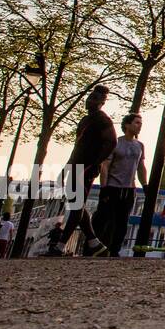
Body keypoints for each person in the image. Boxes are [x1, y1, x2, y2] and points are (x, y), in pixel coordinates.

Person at [48, 85, 117, 257]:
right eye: (89, 97)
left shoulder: (103, 120)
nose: (89, 101)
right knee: (76, 203)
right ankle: (95, 243)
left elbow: (112, 142)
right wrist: (66, 167)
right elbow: (78, 146)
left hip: (87, 166)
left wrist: (96, 163)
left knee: (76, 204)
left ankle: (60, 246)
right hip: (77, 165)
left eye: (94, 98)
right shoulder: (85, 120)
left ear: (102, 102)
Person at [92, 112, 147, 257]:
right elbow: (105, 166)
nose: (139, 126)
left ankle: (115, 250)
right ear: (127, 125)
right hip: (113, 187)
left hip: (129, 189)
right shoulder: (116, 143)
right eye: (136, 123)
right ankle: (97, 248)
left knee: (123, 222)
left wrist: (145, 184)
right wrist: (104, 187)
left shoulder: (140, 146)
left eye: (140, 123)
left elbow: (141, 167)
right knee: (105, 219)